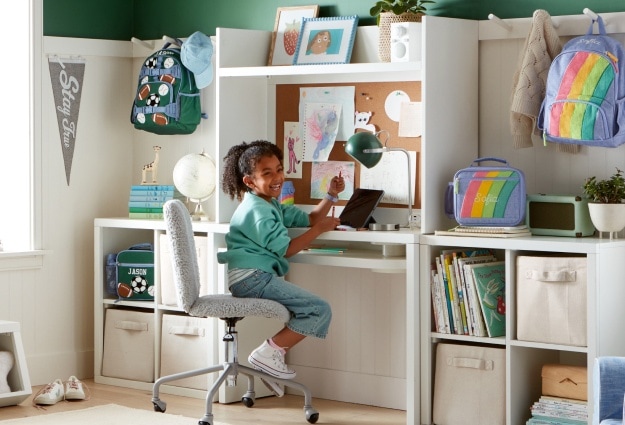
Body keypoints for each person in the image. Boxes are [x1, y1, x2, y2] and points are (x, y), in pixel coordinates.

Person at [217, 140, 345, 397]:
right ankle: (268, 353)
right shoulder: (259, 211)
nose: (277, 178)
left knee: (312, 309)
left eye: (279, 169)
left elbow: (309, 219)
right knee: (318, 309)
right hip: (252, 278)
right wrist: (319, 231)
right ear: (249, 182)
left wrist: (331, 196)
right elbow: (286, 249)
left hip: (252, 277)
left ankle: (269, 361)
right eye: (267, 173)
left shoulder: (268, 204)